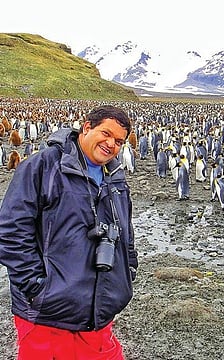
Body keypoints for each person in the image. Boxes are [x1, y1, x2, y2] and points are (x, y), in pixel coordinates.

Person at [0, 105, 138, 359]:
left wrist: (128, 271)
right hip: (48, 318)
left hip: (97, 315)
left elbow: (125, 232)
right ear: (87, 127)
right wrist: (37, 288)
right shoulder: (43, 167)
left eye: (119, 141)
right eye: (105, 133)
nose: (111, 144)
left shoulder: (115, 176)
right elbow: (10, 232)